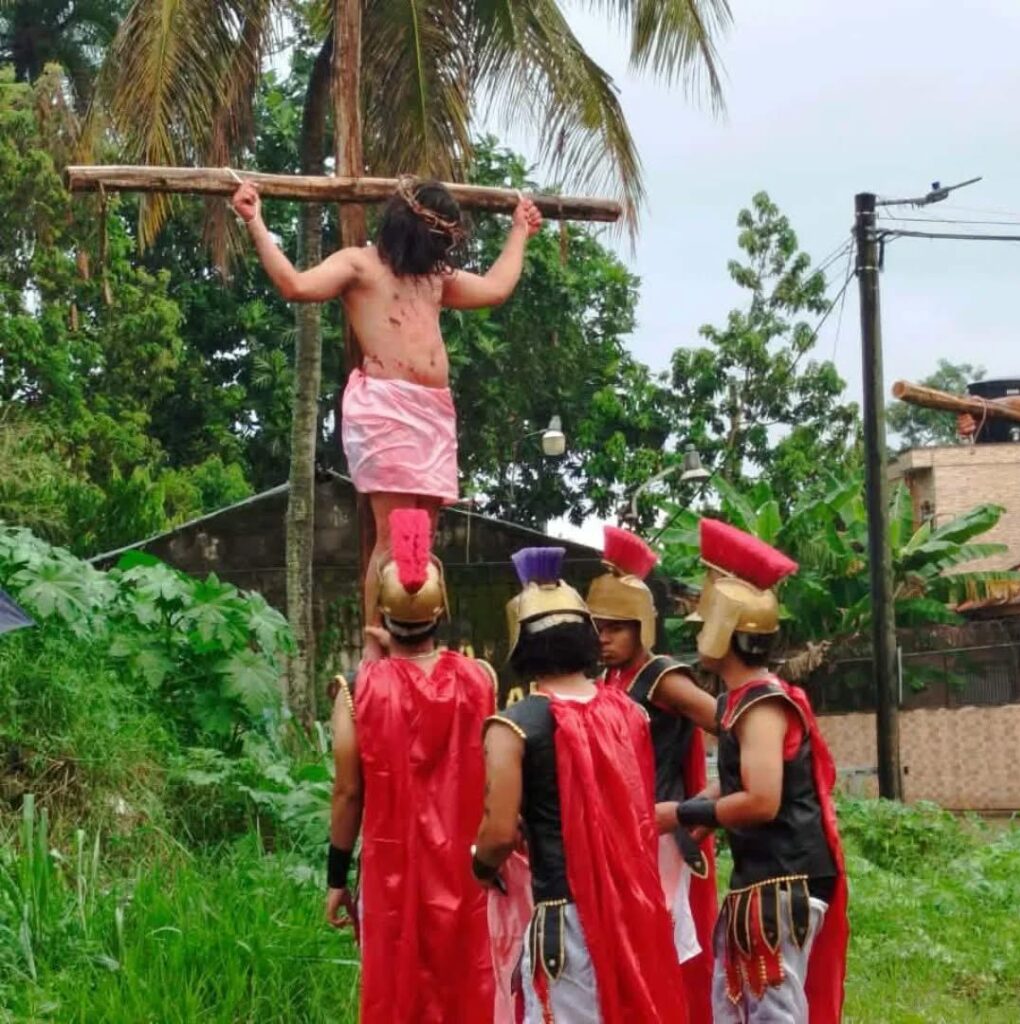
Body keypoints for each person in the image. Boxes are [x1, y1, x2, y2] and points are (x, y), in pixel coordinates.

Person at [231, 176, 543, 654]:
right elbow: (295, 286)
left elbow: (496, 289)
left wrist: (519, 230)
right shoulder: (359, 264)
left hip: (434, 414)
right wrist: (255, 220)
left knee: (423, 537)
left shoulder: (432, 278)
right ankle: (377, 644)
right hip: (385, 410)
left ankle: (413, 632)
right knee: (395, 536)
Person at [474, 547, 687, 1023]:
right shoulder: (628, 713)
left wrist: (480, 865)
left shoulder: (512, 726)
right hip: (634, 908)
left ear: (520, 642)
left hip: (563, 916)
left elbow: (499, 833)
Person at [657, 519, 848, 1024]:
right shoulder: (743, 700)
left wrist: (681, 810)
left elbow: (762, 799)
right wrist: (693, 814)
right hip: (766, 880)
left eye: (705, 622)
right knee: (740, 1003)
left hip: (782, 879)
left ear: (728, 629)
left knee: (770, 1010)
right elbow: (741, 782)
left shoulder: (762, 705)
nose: (699, 633)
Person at [325, 508, 499, 1023]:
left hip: (391, 870)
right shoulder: (480, 680)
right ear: (441, 609)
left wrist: (337, 876)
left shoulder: (357, 690)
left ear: (381, 612)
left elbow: (347, 793)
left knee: (396, 992)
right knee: (467, 983)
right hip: (467, 868)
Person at [587, 525, 719, 1023]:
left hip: (662, 838)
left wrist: (705, 803)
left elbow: (739, 730)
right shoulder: (606, 680)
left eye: (615, 626)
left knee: (666, 953)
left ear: (641, 626)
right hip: (621, 837)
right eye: (597, 625)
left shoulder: (662, 676)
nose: (603, 636)